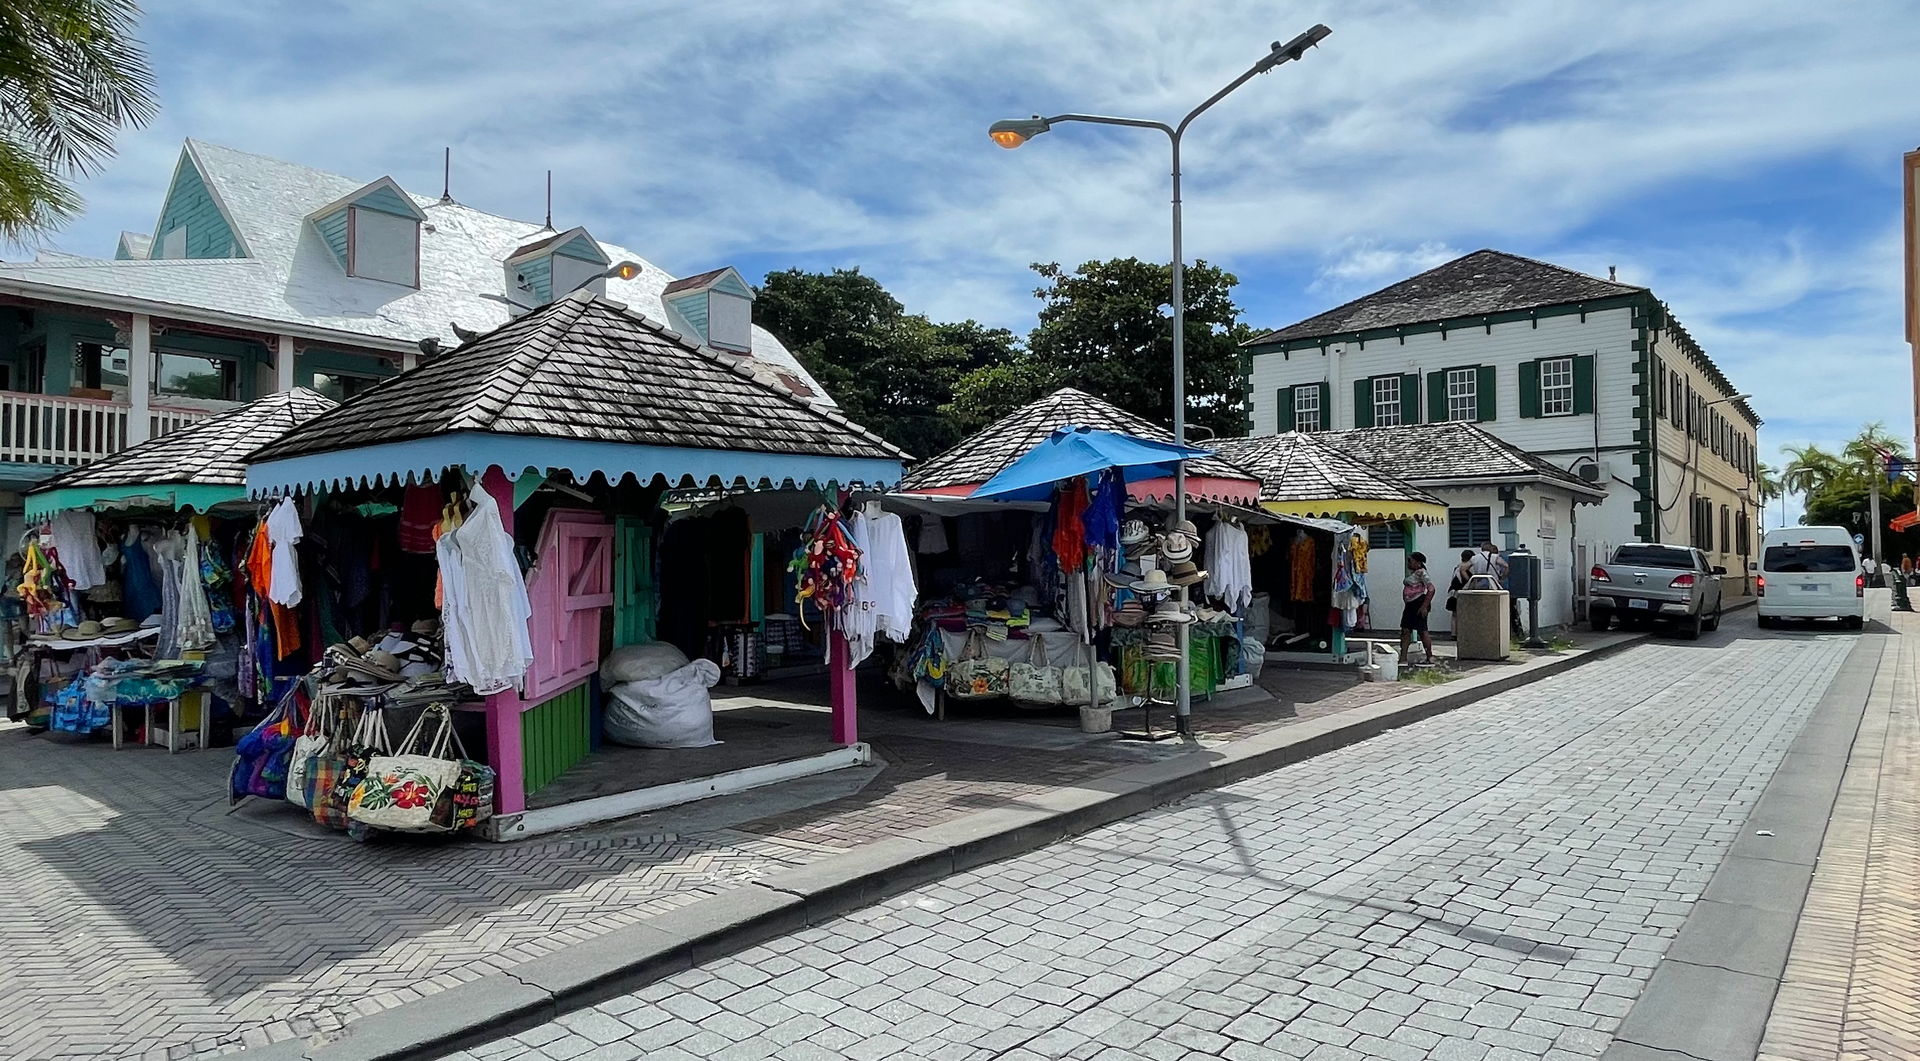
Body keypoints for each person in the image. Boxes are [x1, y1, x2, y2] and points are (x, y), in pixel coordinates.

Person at [1400, 551, 1436, 665]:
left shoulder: (1422, 574)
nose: (1408, 564)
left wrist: (1424, 606)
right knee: (1406, 630)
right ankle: (1403, 657)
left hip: (1418, 603)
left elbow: (1431, 589)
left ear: (1418, 562)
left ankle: (1430, 657)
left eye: (1410, 561)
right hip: (1410, 604)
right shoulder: (1415, 574)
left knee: (1422, 630)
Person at [1445, 549, 1475, 637]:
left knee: (1454, 615)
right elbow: (1469, 582)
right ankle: (1463, 633)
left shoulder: (1457, 568)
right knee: (1464, 614)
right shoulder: (1468, 570)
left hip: (1454, 594)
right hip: (1464, 593)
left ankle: (1453, 633)